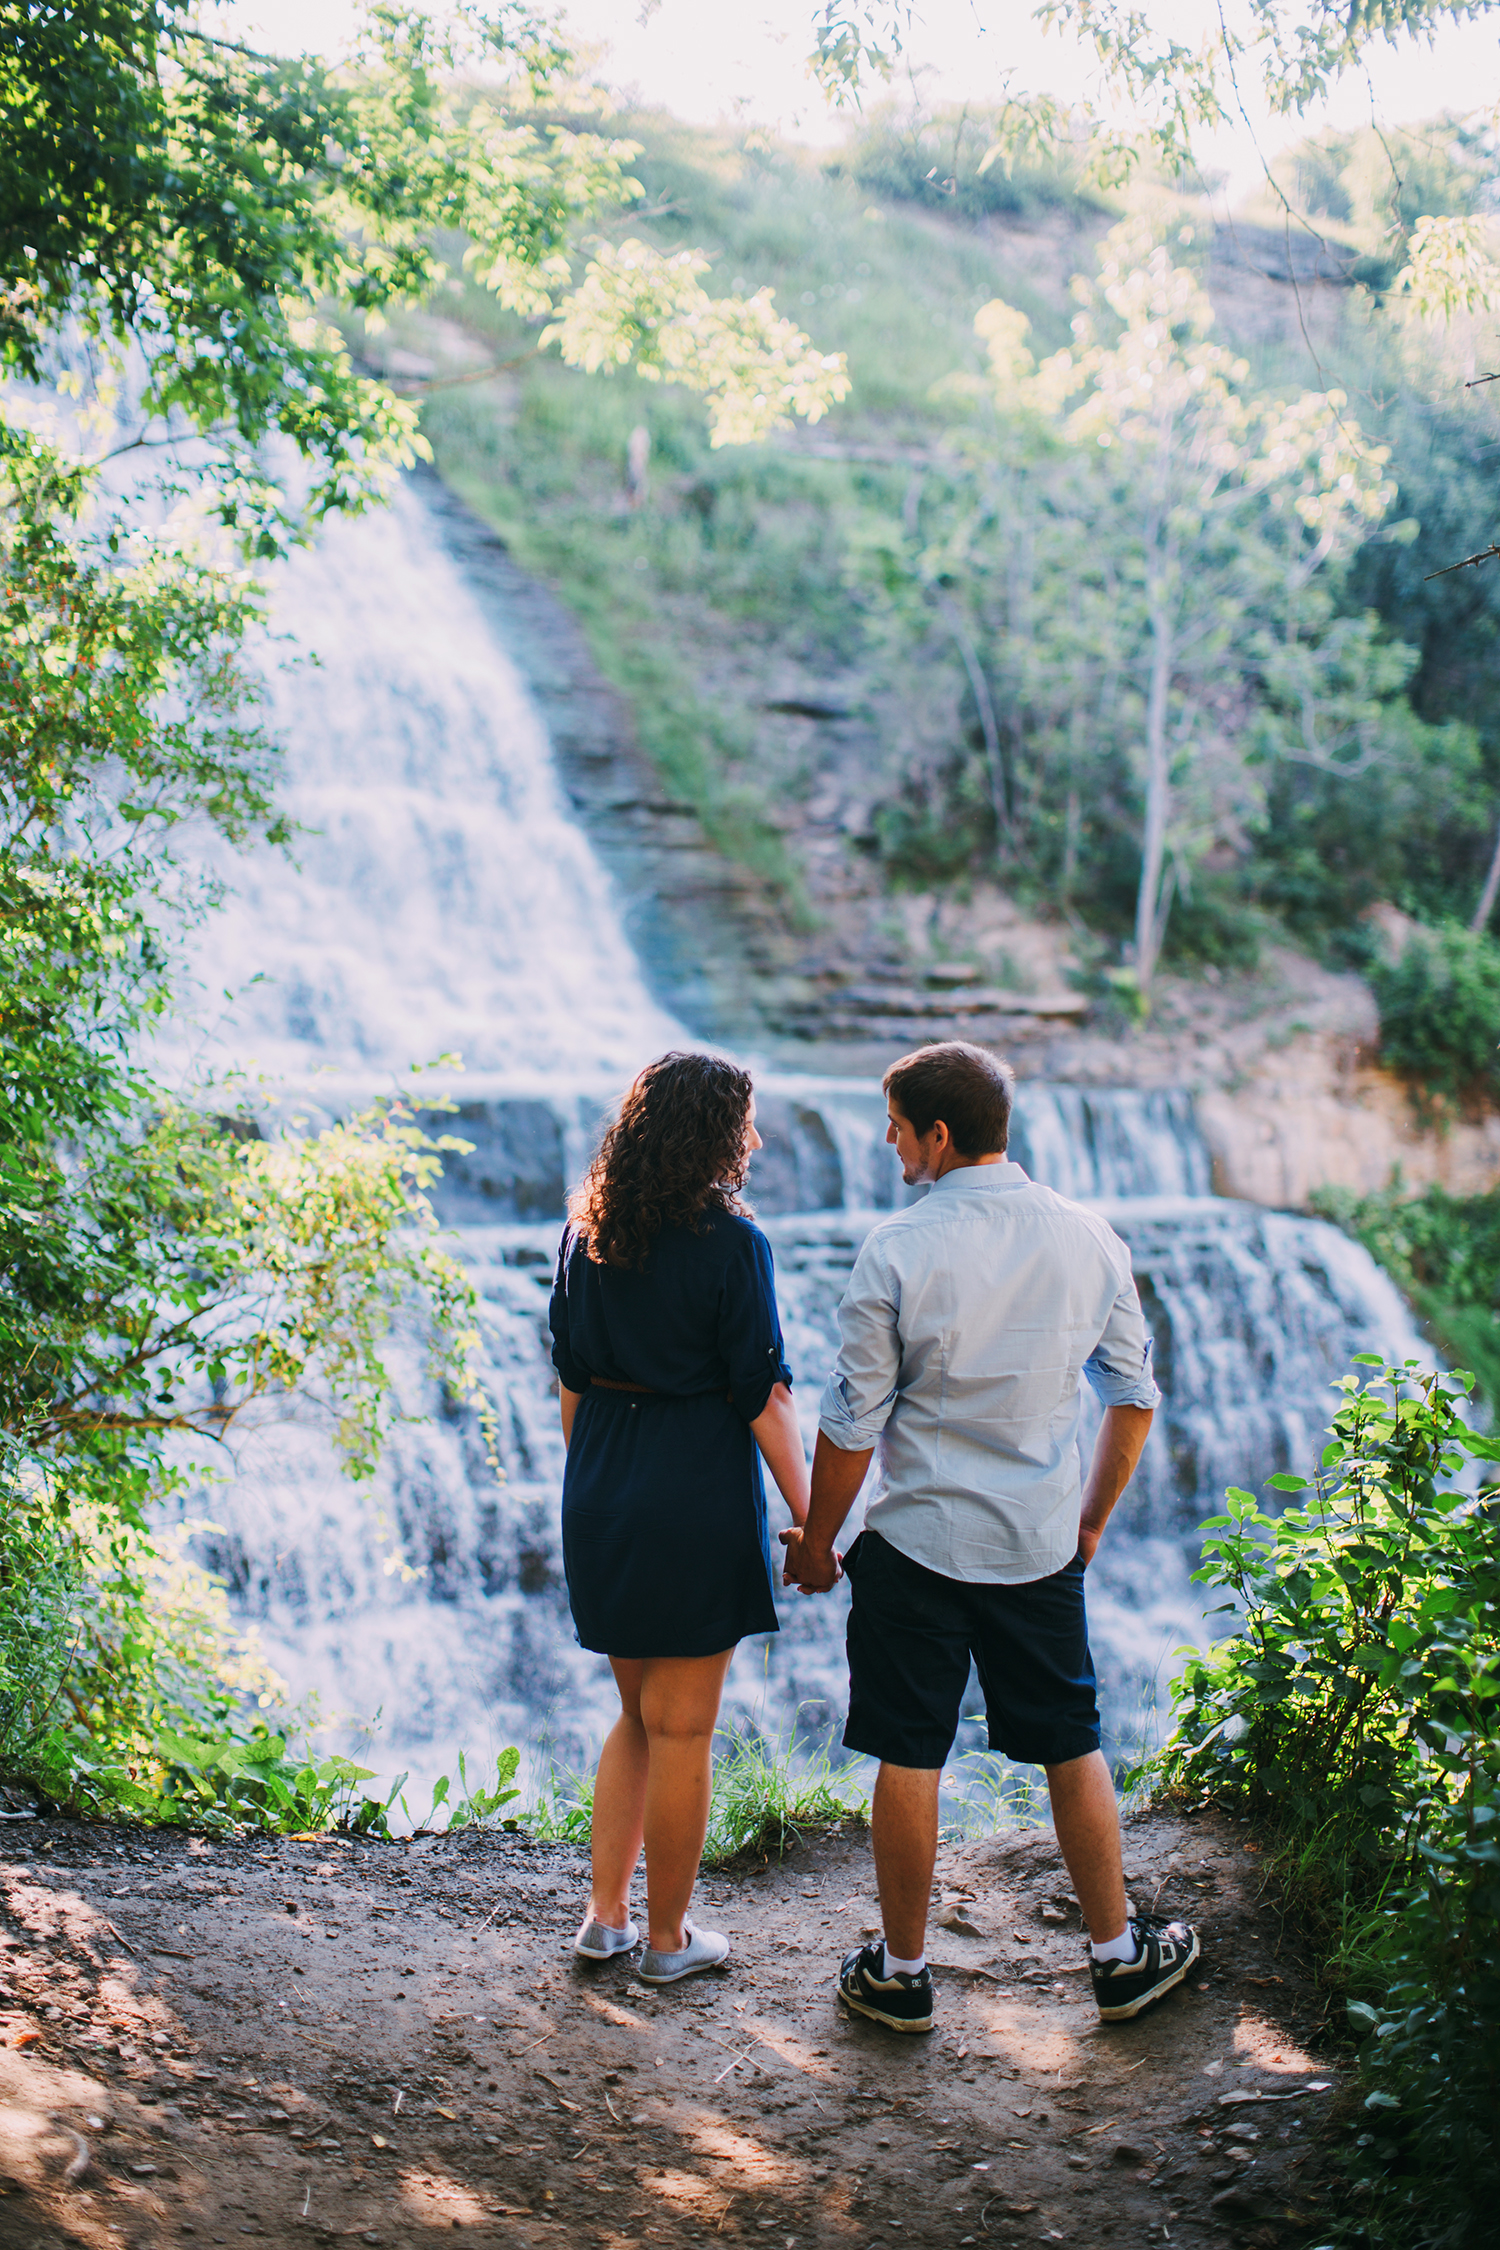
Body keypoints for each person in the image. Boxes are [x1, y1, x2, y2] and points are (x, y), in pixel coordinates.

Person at [780, 1040, 1200, 2033]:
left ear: (939, 1133)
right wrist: (1088, 1520)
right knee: (1072, 1742)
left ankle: (902, 1975)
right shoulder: (1088, 1236)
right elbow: (1133, 1399)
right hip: (1038, 1546)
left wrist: (817, 1545)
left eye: (896, 1127)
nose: (887, 1145)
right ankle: (1117, 1959)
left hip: (916, 1544)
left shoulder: (897, 1249)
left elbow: (852, 1428)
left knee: (909, 1752)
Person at [549, 1051, 810, 1986]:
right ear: (717, 1133)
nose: (758, 1139)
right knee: (684, 1728)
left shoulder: (590, 1231)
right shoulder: (734, 1242)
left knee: (633, 1712)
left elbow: (571, 1382)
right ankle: (668, 1941)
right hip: (692, 1482)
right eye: (747, 1122)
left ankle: (603, 1921)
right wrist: (817, 1522)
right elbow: (761, 1396)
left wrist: (595, 1488)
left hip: (605, 1482)